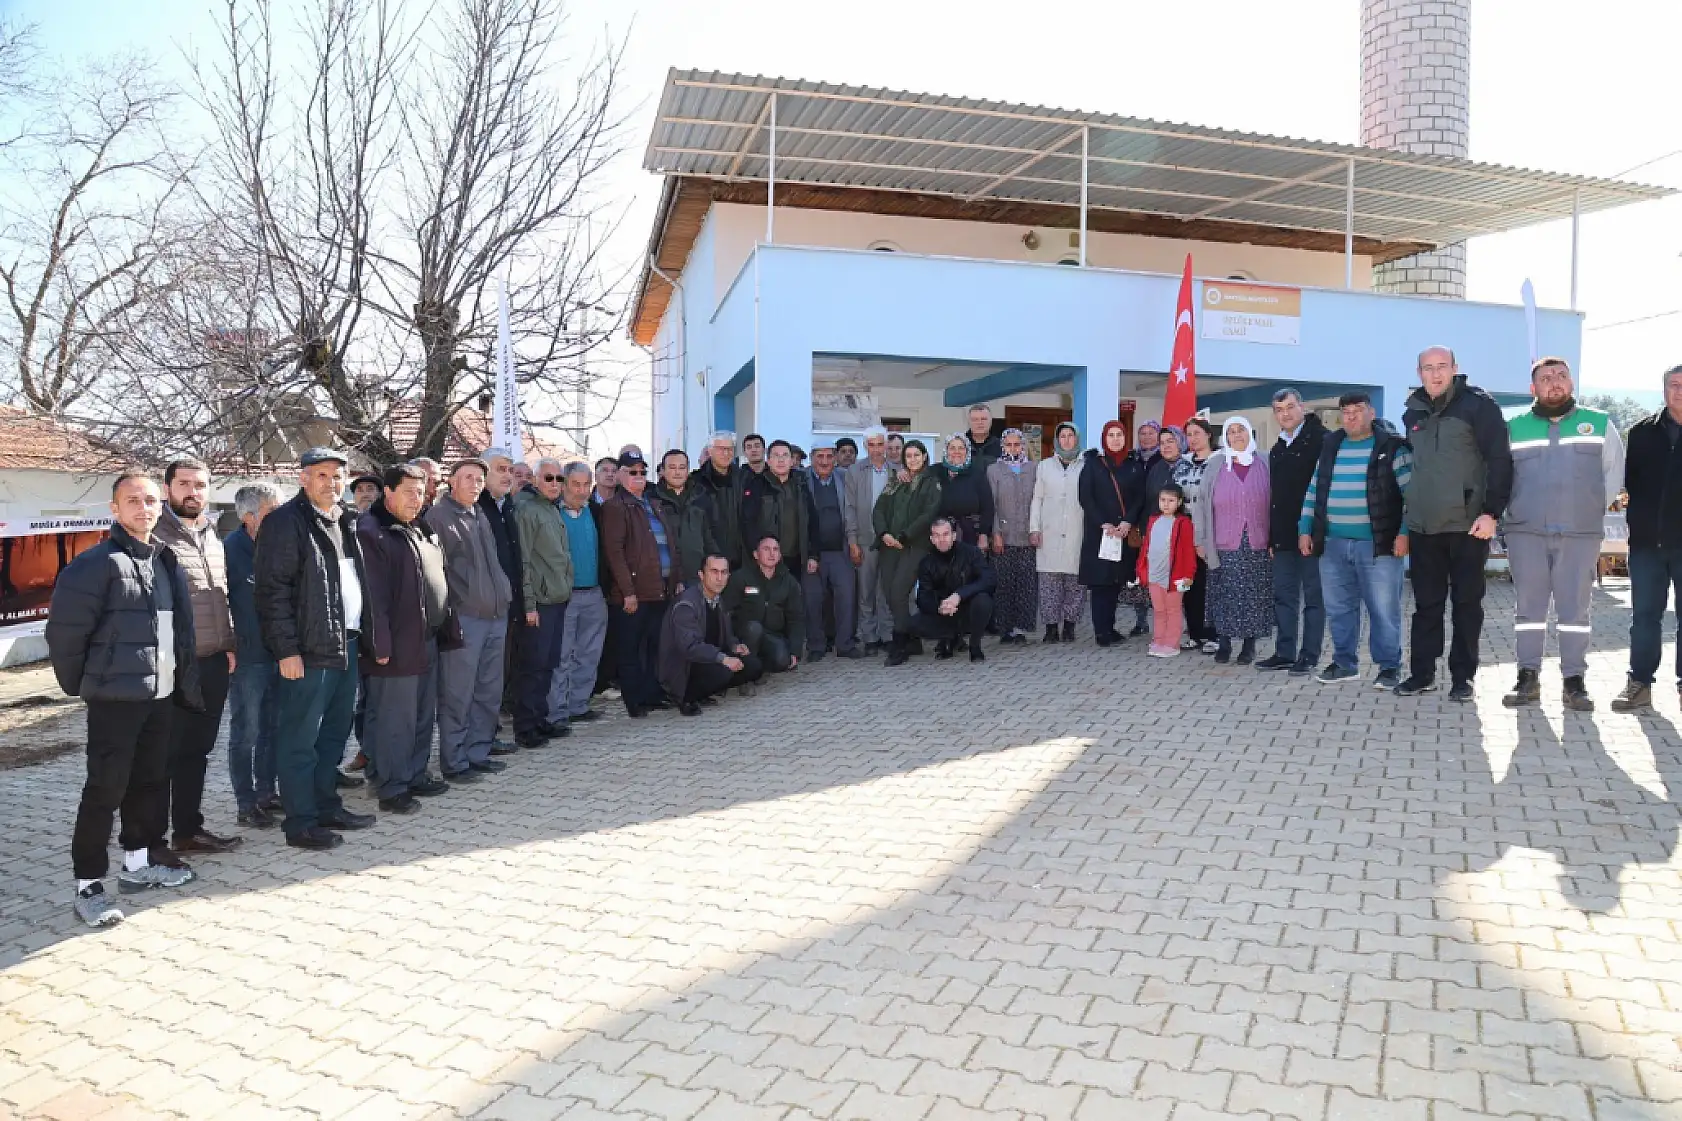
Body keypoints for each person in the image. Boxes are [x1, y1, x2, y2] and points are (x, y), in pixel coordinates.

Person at [49, 471, 201, 927]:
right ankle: (88, 884)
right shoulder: (95, 564)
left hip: (160, 694)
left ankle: (137, 864)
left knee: (151, 782)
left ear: (162, 507)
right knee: (105, 789)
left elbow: (179, 632)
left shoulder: (166, 560)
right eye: (132, 500)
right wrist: (86, 685)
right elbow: (65, 635)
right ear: (114, 509)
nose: (143, 508)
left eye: (151, 500)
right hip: (116, 700)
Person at [255, 447, 376, 850]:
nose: (331, 483)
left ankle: (327, 805)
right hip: (308, 650)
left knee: (334, 736)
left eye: (337, 475)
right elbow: (272, 594)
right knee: (299, 739)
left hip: (348, 642)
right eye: (321, 475)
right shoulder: (285, 523)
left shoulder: (347, 521)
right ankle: (300, 822)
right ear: (303, 479)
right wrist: (286, 651)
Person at [1501, 358, 1624, 710]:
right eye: (1545, 378)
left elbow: (1613, 474)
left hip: (1579, 534)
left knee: (1575, 612)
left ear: (1571, 382)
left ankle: (1574, 681)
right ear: (1533, 388)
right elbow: (1502, 475)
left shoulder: (1598, 423)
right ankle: (1528, 677)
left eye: (1561, 376)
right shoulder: (1515, 426)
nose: (1554, 382)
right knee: (1529, 610)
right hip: (1527, 533)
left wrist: (1588, 508)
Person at [1396, 346, 1514, 701]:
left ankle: (1463, 678)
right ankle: (1422, 674)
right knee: (1426, 606)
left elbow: (1500, 460)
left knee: (1466, 604)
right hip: (1424, 527)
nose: (1435, 374)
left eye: (1441, 367)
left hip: (1468, 525)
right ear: (1419, 373)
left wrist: (1492, 513)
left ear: (1455, 369)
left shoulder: (1479, 405)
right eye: (1428, 368)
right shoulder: (1412, 412)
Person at [357, 465, 460, 814]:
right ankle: (391, 787)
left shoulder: (419, 527)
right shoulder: (373, 531)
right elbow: (374, 596)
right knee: (393, 721)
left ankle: (415, 774)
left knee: (420, 715)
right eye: (408, 491)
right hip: (394, 645)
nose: (416, 498)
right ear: (388, 492)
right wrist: (380, 644)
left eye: (421, 491)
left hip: (426, 636)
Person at [152, 458, 242, 856]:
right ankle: (150, 843)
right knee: (164, 754)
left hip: (213, 661)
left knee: (197, 751)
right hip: (172, 664)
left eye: (201, 485)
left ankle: (188, 831)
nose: (193, 492)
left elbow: (220, 597)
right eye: (184, 484)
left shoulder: (212, 534)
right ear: (168, 488)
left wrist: (230, 645)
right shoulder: (155, 536)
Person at [1298, 392, 1413, 689]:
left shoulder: (1392, 447)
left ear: (1371, 413)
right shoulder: (1331, 445)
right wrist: (1305, 528)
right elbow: (1314, 489)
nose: (1351, 416)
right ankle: (1345, 663)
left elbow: (1411, 496)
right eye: (1346, 412)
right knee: (1338, 608)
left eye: (1358, 410)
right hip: (1333, 543)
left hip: (1379, 545)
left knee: (1383, 610)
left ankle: (1389, 667)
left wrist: (1404, 533)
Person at [426, 459, 514, 780]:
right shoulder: (438, 517)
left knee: (489, 691)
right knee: (457, 694)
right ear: (451, 481)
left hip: (495, 615)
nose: (475, 484)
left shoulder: (480, 514)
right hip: (464, 619)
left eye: (479, 479)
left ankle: (477, 752)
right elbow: (435, 574)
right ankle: (454, 761)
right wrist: (449, 616)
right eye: (468, 478)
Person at [1611, 363, 1682, 713]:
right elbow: (1631, 485)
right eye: (1674, 384)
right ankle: (1640, 683)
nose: (1679, 391)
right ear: (1664, 389)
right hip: (1647, 545)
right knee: (1644, 618)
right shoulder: (1642, 432)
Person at [600, 450, 679, 717]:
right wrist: (627, 592)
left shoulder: (652, 503)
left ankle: (651, 694)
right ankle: (635, 701)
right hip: (634, 594)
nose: (638, 477)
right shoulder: (615, 507)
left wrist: (674, 582)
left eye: (642, 472)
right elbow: (615, 553)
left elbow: (668, 544)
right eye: (632, 472)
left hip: (659, 590)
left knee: (652, 646)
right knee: (630, 649)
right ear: (620, 475)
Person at [224, 483, 283, 828]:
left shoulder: (277, 547)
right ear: (248, 517)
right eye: (271, 512)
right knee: (246, 730)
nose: (278, 518)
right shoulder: (230, 552)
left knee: (272, 728)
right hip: (248, 656)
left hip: (280, 652)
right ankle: (246, 804)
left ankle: (266, 792)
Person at [1257, 389, 1327, 675]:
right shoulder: (1278, 448)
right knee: (1284, 598)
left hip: (1310, 536)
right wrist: (1274, 536)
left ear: (1303, 406)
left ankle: (1309, 656)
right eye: (1278, 409)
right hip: (1283, 538)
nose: (1284, 414)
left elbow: (1321, 492)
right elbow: (1276, 497)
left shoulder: (1322, 441)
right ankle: (1285, 652)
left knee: (1313, 599)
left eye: (1289, 407)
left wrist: (1311, 530)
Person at [1193, 417, 1273, 665]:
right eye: (1231, 431)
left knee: (1254, 595)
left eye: (1241, 431)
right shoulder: (1216, 463)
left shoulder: (1266, 461)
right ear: (1225, 436)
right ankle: (1224, 642)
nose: (1236, 436)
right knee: (1224, 593)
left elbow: (1277, 501)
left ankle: (1249, 645)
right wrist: (1201, 539)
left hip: (1258, 541)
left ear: (1250, 433)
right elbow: (1202, 503)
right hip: (1223, 540)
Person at [511, 457, 575, 747]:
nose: (554, 484)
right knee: (532, 666)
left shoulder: (552, 509)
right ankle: (525, 727)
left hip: (557, 599)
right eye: (548, 478)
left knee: (548, 664)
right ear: (535, 480)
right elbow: (523, 560)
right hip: (539, 602)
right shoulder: (526, 511)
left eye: (558, 479)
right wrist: (529, 604)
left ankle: (540, 718)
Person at [659, 553, 765, 714]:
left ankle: (705, 691)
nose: (719, 577)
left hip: (707, 659)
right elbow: (689, 647)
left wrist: (735, 645)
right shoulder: (686, 604)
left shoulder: (717, 599)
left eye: (724, 572)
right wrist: (723, 658)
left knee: (753, 666)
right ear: (701, 575)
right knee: (724, 671)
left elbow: (724, 634)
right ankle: (685, 698)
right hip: (683, 668)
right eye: (714, 571)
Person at [874, 439, 942, 666]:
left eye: (916, 455)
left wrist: (903, 536)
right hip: (888, 544)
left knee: (898, 592)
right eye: (908, 456)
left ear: (924, 457)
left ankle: (900, 643)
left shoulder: (931, 482)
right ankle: (912, 639)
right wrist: (883, 533)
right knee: (889, 592)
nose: (912, 459)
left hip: (914, 545)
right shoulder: (896, 480)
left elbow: (928, 514)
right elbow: (879, 508)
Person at [550, 462, 608, 728]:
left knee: (589, 653)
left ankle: (579, 705)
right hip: (564, 596)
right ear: (564, 484)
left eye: (586, 485)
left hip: (594, 593)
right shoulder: (553, 512)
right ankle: (557, 711)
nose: (582, 491)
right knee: (561, 656)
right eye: (576, 484)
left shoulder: (595, 512)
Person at [1078, 420, 1146, 647]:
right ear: (1104, 439)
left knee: (1116, 582)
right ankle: (1101, 632)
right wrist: (1103, 524)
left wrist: (1128, 521)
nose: (1115, 439)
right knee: (1101, 584)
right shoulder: (1093, 464)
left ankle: (1110, 627)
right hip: (1101, 534)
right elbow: (1086, 498)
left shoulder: (1133, 464)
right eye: (1111, 435)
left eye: (1119, 435)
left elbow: (1140, 497)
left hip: (1124, 534)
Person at [803, 441, 861, 660]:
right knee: (813, 600)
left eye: (829, 456)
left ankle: (845, 644)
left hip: (840, 550)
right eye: (820, 456)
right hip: (812, 553)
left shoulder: (844, 478)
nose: (825, 461)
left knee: (846, 598)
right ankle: (816, 646)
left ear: (835, 458)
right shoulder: (802, 479)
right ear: (812, 457)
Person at [910, 516, 997, 662]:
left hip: (969, 608)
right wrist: (939, 607)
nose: (941, 539)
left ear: (954, 536)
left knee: (984, 601)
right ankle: (949, 639)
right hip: (945, 611)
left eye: (945, 534)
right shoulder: (926, 562)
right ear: (931, 539)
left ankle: (974, 646)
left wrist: (959, 595)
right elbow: (922, 597)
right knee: (912, 624)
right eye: (936, 535)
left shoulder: (972, 553)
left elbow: (989, 579)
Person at [1030, 421, 1086, 644]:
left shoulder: (1085, 465)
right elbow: (1037, 499)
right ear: (1056, 440)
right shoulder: (1044, 466)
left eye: (1070, 436)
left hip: (1077, 529)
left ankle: (1070, 626)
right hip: (1049, 530)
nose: (1066, 440)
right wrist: (1034, 528)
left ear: (1077, 439)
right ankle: (1051, 627)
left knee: (1075, 583)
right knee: (1049, 584)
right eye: (1062, 436)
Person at [844, 427, 896, 654]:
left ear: (886, 445)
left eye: (880, 444)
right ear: (866, 446)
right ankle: (869, 636)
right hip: (865, 539)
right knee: (865, 591)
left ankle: (887, 634)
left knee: (886, 589)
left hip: (890, 541)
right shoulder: (855, 471)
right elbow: (850, 508)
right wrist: (852, 540)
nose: (876, 449)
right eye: (871, 445)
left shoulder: (898, 471)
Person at [986, 428, 1038, 645]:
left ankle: (1021, 628)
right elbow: (991, 505)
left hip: (1027, 535)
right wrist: (995, 532)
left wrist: (1036, 529)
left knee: (1026, 584)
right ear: (1002, 446)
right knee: (1004, 584)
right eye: (1009, 444)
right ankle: (1005, 628)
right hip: (1004, 537)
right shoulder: (994, 470)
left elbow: (1039, 501)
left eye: (1017, 444)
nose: (1013, 448)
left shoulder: (1034, 468)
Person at [725, 535, 807, 672]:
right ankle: (746, 671)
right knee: (754, 629)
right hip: (746, 634)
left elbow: (796, 617)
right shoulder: (740, 577)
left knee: (782, 661)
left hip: (773, 636)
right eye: (766, 549)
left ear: (780, 555)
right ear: (756, 554)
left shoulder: (789, 581)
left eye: (775, 549)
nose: (771, 553)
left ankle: (759, 667)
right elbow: (726, 611)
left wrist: (795, 651)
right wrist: (731, 641)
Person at [1174, 417, 1221, 653]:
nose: (1193, 438)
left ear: (1208, 435)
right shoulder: (1181, 464)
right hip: (1185, 531)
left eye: (1197, 433)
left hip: (1212, 531)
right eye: (1189, 434)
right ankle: (1194, 634)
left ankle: (1214, 634)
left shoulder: (1220, 462)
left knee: (1210, 584)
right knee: (1189, 583)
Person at [1135, 482, 1197, 657]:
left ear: (1179, 502)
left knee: (1174, 609)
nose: (1166, 504)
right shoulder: (1153, 520)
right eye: (1163, 500)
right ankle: (1159, 640)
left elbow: (1188, 552)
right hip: (1154, 575)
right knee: (1159, 610)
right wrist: (1141, 570)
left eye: (1171, 500)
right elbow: (1146, 547)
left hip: (1177, 577)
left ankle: (1172, 643)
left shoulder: (1183, 523)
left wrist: (1188, 576)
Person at [741, 440, 811, 581]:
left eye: (785, 455)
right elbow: (748, 522)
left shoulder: (801, 485)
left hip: (796, 559)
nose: (780, 460)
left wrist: (813, 555)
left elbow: (812, 520)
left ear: (792, 461)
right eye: (776, 456)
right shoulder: (757, 485)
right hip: (766, 560)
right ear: (769, 461)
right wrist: (756, 551)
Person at [654, 449, 718, 590]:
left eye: (682, 468)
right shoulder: (653, 499)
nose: (677, 472)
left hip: (698, 577)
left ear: (688, 470)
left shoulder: (701, 496)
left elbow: (710, 536)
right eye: (672, 467)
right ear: (663, 471)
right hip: (663, 579)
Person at [695, 431, 746, 568]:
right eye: (721, 449)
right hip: (709, 561)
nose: (726, 453)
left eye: (729, 449)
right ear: (710, 451)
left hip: (741, 561)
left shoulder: (744, 479)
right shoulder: (695, 482)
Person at [933, 433, 995, 548]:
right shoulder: (935, 471)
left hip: (970, 535)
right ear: (946, 450)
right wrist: (904, 472)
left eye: (961, 448)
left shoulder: (977, 474)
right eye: (952, 448)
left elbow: (988, 507)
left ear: (967, 451)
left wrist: (983, 535)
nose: (957, 451)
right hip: (941, 535)